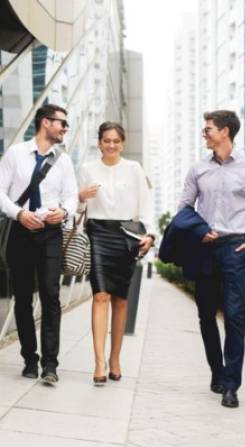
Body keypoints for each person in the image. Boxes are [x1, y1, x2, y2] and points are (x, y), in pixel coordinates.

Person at [178, 110, 245, 408]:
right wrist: (197, 233)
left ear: (225, 132)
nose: (204, 133)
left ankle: (231, 385)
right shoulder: (198, 169)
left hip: (235, 248)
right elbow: (184, 208)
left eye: (208, 129)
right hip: (204, 249)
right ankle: (217, 372)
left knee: (234, 316)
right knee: (206, 315)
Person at [0, 104, 78, 384]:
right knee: (23, 298)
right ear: (45, 123)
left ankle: (50, 364)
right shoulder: (16, 154)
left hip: (51, 234)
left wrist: (63, 212)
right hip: (20, 231)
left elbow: (72, 196)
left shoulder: (63, 161)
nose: (65, 128)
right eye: (61, 123)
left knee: (51, 296)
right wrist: (19, 213)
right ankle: (30, 358)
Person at [78, 121, 154, 386]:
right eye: (106, 140)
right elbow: (76, 209)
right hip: (98, 233)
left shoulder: (134, 169)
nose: (111, 145)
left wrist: (150, 234)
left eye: (116, 141)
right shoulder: (87, 169)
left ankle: (115, 358)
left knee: (120, 300)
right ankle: (99, 361)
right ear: (99, 142)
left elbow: (145, 205)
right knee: (100, 295)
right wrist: (80, 196)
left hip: (126, 236)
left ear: (123, 143)